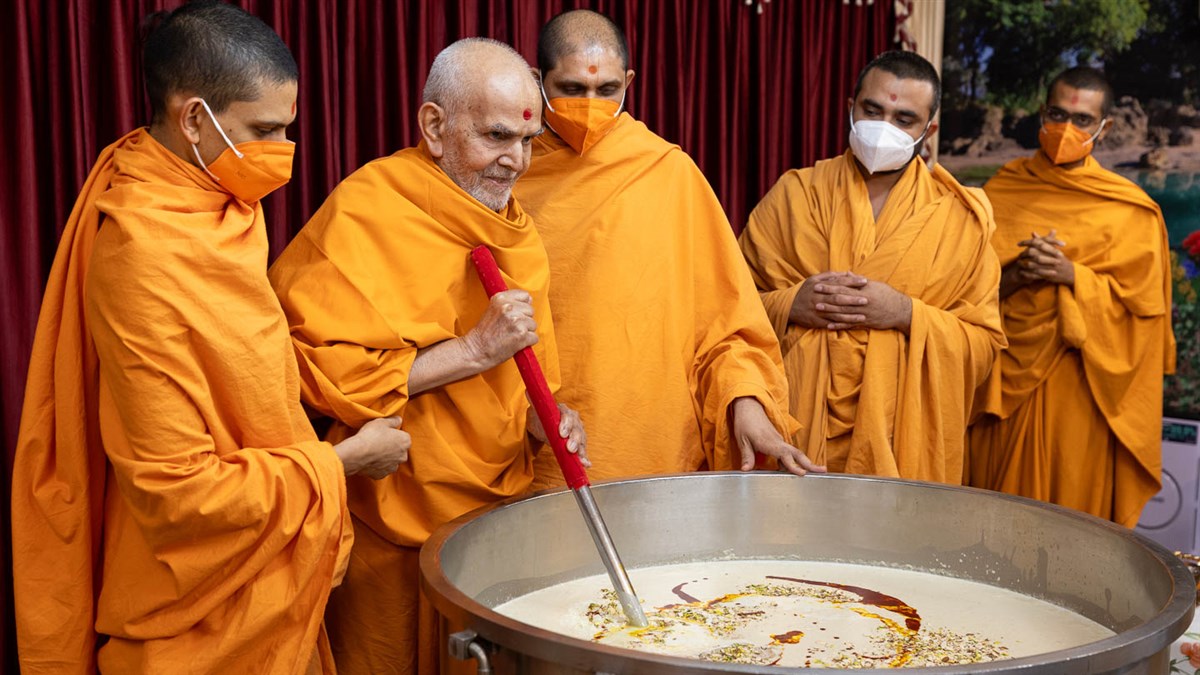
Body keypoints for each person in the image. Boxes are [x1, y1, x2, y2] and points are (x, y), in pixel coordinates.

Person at [10, 2, 410, 673]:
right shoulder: (140, 252)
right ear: (193, 118)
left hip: (270, 563)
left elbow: (257, 374)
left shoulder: (220, 201)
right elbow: (178, 493)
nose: (283, 153)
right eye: (265, 130)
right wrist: (341, 464)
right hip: (197, 604)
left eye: (288, 130)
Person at [268, 38, 587, 675]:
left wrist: (543, 417)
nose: (516, 161)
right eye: (497, 136)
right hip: (387, 516)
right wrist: (471, 351)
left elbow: (522, 377)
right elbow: (314, 375)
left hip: (491, 516)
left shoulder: (514, 229)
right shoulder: (368, 211)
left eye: (527, 140)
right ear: (434, 127)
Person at [513, 9, 820, 488]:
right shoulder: (506, 171)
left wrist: (749, 407)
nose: (590, 104)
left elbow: (726, 328)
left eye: (607, 89)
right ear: (537, 80)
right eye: (572, 89)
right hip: (532, 447)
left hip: (652, 448)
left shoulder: (668, 173)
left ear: (629, 82)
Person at [739, 50, 1005, 483]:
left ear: (929, 130)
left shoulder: (959, 219)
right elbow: (727, 312)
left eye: (904, 119)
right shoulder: (794, 195)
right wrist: (790, 304)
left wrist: (905, 313)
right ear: (850, 107)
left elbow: (984, 346)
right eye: (872, 110)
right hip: (793, 428)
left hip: (901, 441)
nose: (884, 128)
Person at [967, 67, 1175, 527]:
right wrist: (1018, 274)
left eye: (1082, 119)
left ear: (1106, 128)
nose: (1068, 129)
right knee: (993, 520)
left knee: (1070, 525)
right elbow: (961, 294)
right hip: (1003, 389)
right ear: (1042, 114)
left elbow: (1143, 320)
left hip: (1084, 394)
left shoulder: (1130, 211)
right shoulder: (1003, 190)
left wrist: (1072, 275)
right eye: (1058, 114)